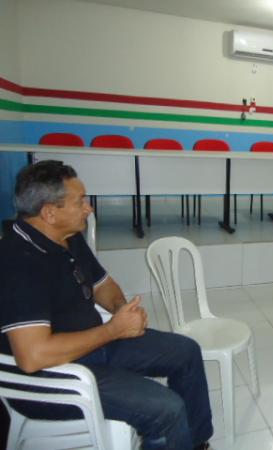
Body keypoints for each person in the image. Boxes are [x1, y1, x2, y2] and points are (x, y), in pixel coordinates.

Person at [0, 160, 213, 450]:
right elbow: (33, 356)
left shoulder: (66, 236)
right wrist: (113, 330)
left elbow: (103, 285)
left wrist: (122, 311)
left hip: (92, 345)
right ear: (50, 213)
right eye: (80, 202)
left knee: (186, 352)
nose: (89, 208)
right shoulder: (17, 261)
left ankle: (194, 442)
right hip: (53, 378)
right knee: (166, 409)